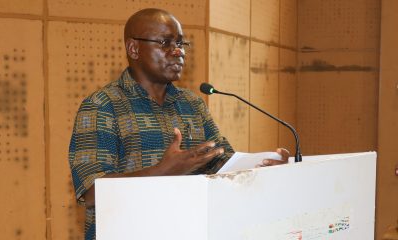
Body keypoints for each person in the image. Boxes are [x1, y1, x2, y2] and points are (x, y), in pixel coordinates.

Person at [68, 8, 289, 240]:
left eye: (181, 43)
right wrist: (162, 171)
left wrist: (260, 167)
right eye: (165, 43)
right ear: (133, 48)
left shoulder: (193, 104)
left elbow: (222, 162)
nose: (178, 52)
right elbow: (92, 191)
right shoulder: (102, 106)